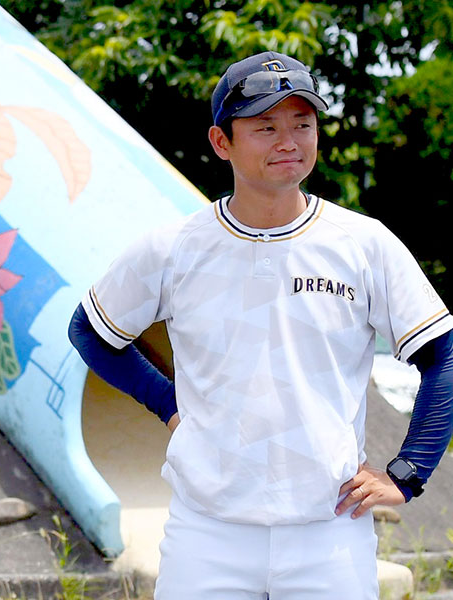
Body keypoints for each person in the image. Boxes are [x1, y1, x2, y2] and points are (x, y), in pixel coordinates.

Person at [69, 51, 453, 598]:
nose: (289, 141)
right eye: (265, 126)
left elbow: (442, 353)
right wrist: (169, 405)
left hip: (330, 531)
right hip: (207, 532)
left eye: (303, 124)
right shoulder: (173, 247)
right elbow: (91, 333)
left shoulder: (364, 243)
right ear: (221, 142)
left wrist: (409, 470)